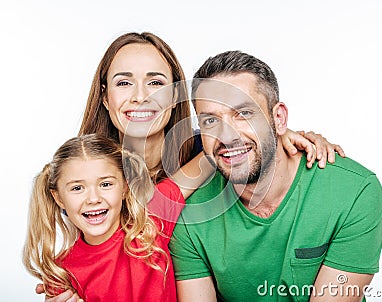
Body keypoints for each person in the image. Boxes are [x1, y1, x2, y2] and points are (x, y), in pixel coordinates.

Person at [34, 32, 344, 301]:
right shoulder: (87, 167)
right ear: (105, 96)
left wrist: (279, 134)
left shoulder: (215, 152)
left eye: (156, 82)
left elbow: (246, 139)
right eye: (124, 82)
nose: (141, 96)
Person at [169, 50, 382, 301]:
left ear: (279, 118)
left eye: (244, 114)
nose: (227, 136)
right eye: (210, 121)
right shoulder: (190, 216)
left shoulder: (353, 191)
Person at [23, 134, 213, 301]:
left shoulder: (150, 223)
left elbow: (204, 162)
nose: (93, 199)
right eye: (77, 188)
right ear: (58, 198)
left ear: (124, 187)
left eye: (105, 184)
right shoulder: (61, 273)